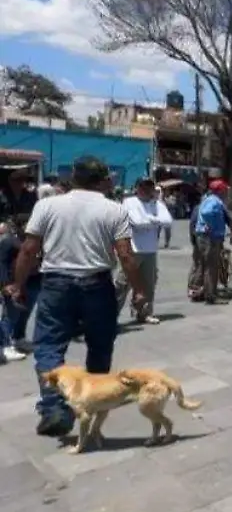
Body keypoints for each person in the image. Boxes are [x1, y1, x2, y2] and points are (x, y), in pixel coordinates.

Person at [3, 156, 147, 437]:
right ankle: (92, 400)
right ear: (103, 180)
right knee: (100, 347)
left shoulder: (47, 206)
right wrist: (140, 290)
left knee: (49, 346)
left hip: (56, 284)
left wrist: (18, 285)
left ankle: (54, 406)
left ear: (73, 178)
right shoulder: (114, 210)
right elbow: (126, 255)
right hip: (97, 285)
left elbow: (29, 249)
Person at [115, 177, 173, 324]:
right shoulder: (129, 202)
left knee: (149, 283)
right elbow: (137, 222)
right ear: (137, 188)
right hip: (132, 250)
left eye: (149, 186)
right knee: (123, 284)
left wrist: (150, 220)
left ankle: (144, 313)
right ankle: (111, 315)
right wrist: (155, 220)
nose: (146, 189)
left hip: (150, 250)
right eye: (142, 186)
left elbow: (168, 221)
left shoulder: (158, 204)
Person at [0, 169, 40, 356]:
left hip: (30, 261)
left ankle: (18, 337)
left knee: (28, 303)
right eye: (17, 179)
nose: (21, 182)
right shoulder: (2, 196)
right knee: (11, 306)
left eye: (24, 179)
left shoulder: (30, 197)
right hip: (10, 259)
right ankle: (5, 343)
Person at [192, 180, 232, 304]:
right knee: (211, 267)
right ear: (221, 191)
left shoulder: (207, 200)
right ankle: (210, 296)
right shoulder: (215, 201)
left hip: (203, 235)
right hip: (210, 237)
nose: (227, 192)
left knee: (203, 264)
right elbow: (207, 213)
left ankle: (197, 292)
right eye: (225, 190)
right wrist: (210, 225)